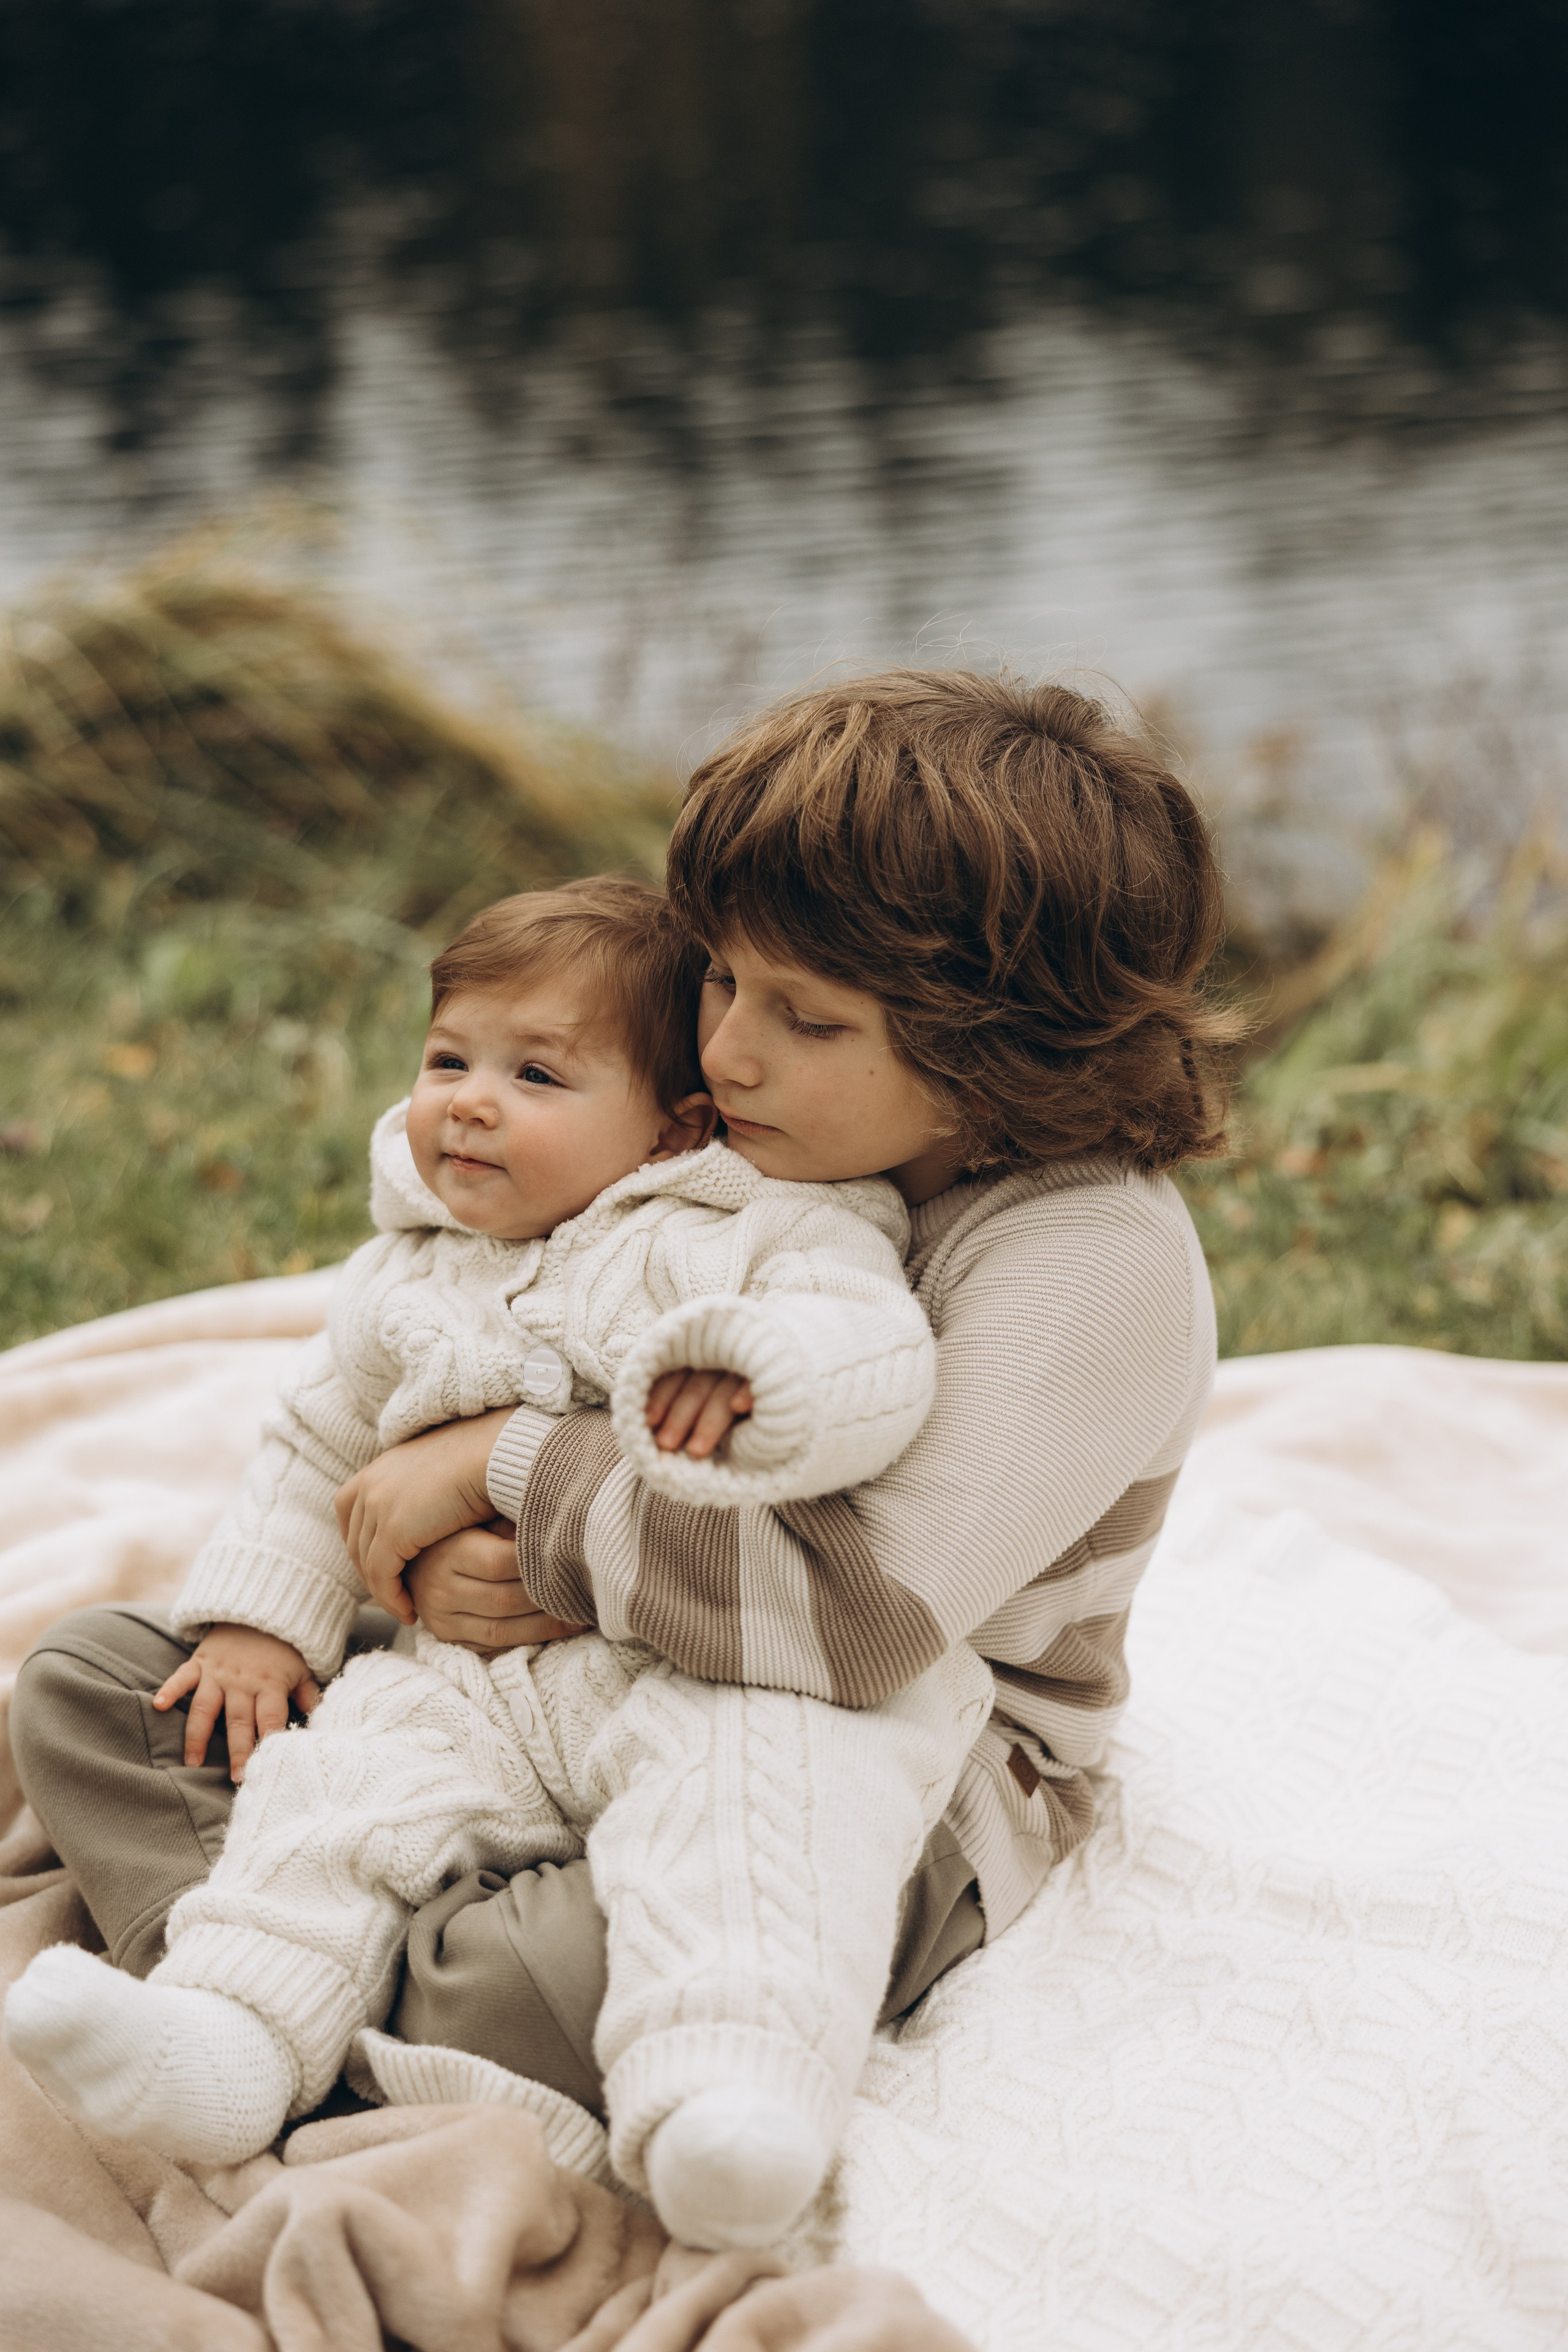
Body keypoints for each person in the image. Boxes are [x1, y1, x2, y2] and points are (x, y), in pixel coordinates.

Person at [7, 669, 1231, 2244]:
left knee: (533, 1973)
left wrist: (505, 1470)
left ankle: (343, 1988)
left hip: (882, 1759)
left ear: (999, 1050)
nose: (725, 1054)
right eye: (722, 981)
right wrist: (419, 1556)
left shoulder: (1084, 1261)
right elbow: (495, 1210)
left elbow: (856, 1624)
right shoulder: (777, 1124)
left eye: (805, 1019)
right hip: (552, 1682)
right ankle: (284, 1982)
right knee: (102, 1687)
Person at [6, 873, 971, 2252]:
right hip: (457, 1685)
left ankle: (724, 2094)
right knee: (321, 1798)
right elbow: (308, 1447)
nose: (467, 1100)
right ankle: (230, 2040)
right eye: (446, 1059)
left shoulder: (758, 1228)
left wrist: (756, 1374)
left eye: (535, 1074)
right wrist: (263, 1631)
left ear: (670, 1124)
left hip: (673, 1666)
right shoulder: (412, 1270)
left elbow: (872, 1348)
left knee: (742, 1821)